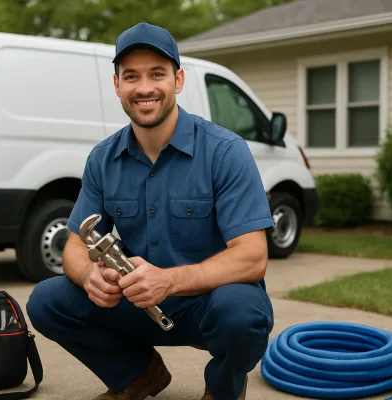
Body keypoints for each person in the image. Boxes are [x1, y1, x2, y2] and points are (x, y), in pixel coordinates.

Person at [26, 22, 275, 400]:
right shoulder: (103, 159)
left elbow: (252, 258)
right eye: (131, 77)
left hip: (206, 305)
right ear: (117, 86)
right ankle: (139, 376)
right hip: (136, 304)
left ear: (177, 80)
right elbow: (75, 246)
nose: (144, 88)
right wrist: (90, 273)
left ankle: (224, 387)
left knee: (242, 313)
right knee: (48, 300)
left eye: (156, 74)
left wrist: (168, 281)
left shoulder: (225, 151)